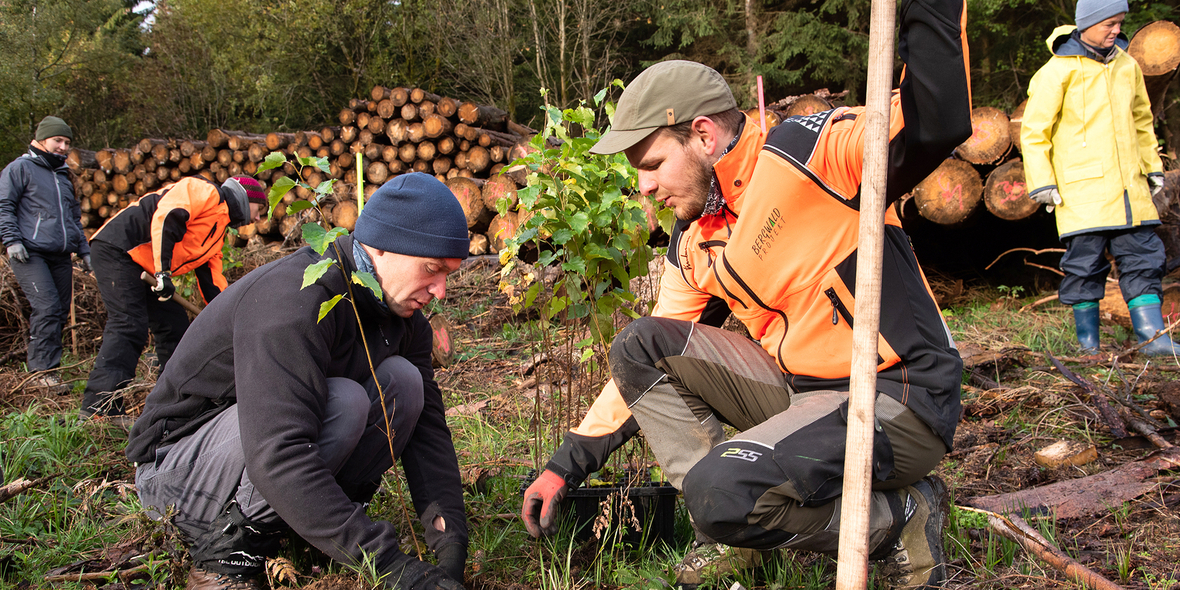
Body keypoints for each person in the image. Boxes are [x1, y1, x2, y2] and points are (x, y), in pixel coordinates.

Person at [519, 0, 971, 587]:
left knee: (719, 490)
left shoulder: (809, 154)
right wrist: (566, 466)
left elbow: (934, 118)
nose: (644, 186)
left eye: (652, 163)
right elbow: (642, 367)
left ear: (702, 135)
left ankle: (901, 515)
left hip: (896, 396)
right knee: (640, 345)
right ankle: (736, 528)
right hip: (802, 398)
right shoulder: (697, 237)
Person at [125, 173, 469, 590]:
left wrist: (450, 546)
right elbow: (277, 452)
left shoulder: (402, 319)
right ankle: (230, 551)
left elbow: (428, 429)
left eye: (449, 273)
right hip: (178, 473)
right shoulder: (294, 298)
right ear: (381, 245)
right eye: (432, 269)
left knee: (405, 382)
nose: (441, 290)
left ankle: (311, 523)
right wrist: (393, 567)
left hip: (261, 460)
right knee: (343, 401)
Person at [1021, 0, 1171, 356]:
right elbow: (1033, 131)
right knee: (1084, 267)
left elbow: (1141, 121)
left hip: (1129, 192)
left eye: (1120, 23)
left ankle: (1153, 339)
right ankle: (1089, 347)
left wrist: (1152, 167)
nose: (1117, 30)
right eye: (1110, 23)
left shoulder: (1128, 65)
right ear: (1087, 24)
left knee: (1144, 259)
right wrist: (1042, 182)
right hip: (1081, 194)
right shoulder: (1057, 71)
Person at [79, 175, 265, 419]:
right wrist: (163, 272)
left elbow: (213, 283)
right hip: (119, 250)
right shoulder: (204, 191)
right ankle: (99, 408)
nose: (259, 218)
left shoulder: (217, 233)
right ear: (246, 197)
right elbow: (167, 217)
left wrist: (231, 317)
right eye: (259, 209)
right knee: (129, 326)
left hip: (146, 267)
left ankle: (170, 404)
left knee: (175, 329)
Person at [0, 115, 91, 394]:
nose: (63, 147)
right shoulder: (20, 169)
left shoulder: (63, 175)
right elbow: (4, 206)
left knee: (60, 310)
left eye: (66, 142)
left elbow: (74, 219)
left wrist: (84, 250)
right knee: (47, 307)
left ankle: (51, 368)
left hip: (60, 255)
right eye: (57, 140)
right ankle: (42, 373)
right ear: (41, 139)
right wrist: (12, 240)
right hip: (29, 253)